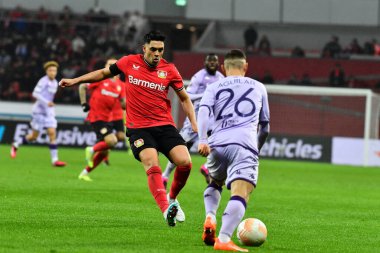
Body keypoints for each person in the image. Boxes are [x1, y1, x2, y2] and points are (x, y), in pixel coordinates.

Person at [59, 31, 197, 227]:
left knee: (185, 163)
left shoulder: (170, 70)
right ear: (144, 49)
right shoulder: (128, 62)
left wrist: (194, 122)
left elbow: (184, 98)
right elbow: (102, 73)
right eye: (153, 49)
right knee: (152, 165)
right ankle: (166, 209)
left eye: (161, 50)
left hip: (164, 126)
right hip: (139, 129)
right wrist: (76, 81)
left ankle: (173, 198)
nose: (157, 53)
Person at [197, 49, 270, 252]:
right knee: (241, 192)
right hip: (244, 144)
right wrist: (256, 149)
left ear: (223, 67)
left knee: (215, 182)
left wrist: (203, 139)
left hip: (216, 144)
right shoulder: (259, 87)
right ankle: (223, 238)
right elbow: (265, 127)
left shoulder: (213, 86)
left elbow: (203, 111)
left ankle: (210, 217)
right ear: (245, 66)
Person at [162, 53, 224, 188]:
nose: (212, 63)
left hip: (212, 118)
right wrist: (206, 94)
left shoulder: (221, 78)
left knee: (221, 144)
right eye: (210, 61)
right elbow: (188, 96)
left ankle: (207, 167)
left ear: (218, 63)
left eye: (215, 61)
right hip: (195, 118)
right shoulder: (199, 77)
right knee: (182, 149)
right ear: (205, 63)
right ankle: (165, 175)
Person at [77, 58, 126, 181]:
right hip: (96, 116)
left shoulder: (120, 85)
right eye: (110, 64)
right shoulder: (99, 79)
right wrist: (84, 103)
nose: (112, 66)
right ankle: (91, 149)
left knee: (106, 150)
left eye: (114, 65)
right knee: (112, 141)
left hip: (109, 119)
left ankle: (84, 173)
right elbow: (82, 86)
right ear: (105, 66)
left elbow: (123, 104)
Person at [11, 61, 67, 167]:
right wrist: (47, 102)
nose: (52, 73)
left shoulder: (55, 82)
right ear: (46, 71)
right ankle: (16, 144)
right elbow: (35, 94)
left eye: (54, 70)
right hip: (39, 112)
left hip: (48, 112)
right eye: (50, 70)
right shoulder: (43, 81)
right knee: (33, 137)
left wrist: (49, 105)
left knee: (52, 133)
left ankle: (55, 160)